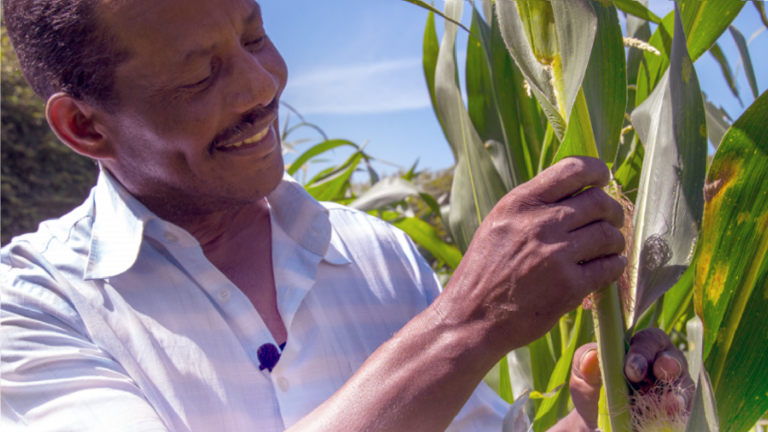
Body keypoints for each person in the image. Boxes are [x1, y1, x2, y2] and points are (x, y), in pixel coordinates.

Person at [0, 0, 693, 430]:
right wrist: (463, 326)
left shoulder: (374, 251)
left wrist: (602, 415)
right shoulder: (35, 306)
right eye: (200, 74)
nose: (262, 85)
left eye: (254, 36)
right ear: (85, 128)